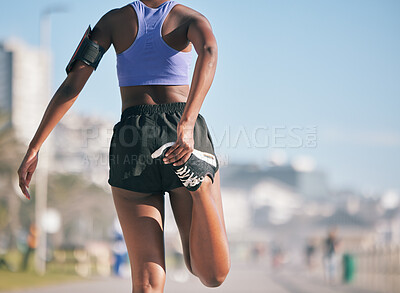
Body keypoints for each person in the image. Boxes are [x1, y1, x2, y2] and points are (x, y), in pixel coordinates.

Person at [17, 0, 230, 291]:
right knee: (209, 273)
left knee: (147, 279)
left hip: (134, 138)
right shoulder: (189, 18)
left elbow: (72, 84)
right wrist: (188, 123)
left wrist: (34, 147)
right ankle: (201, 188)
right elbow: (209, 50)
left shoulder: (113, 22)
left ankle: (199, 186)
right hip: (183, 138)